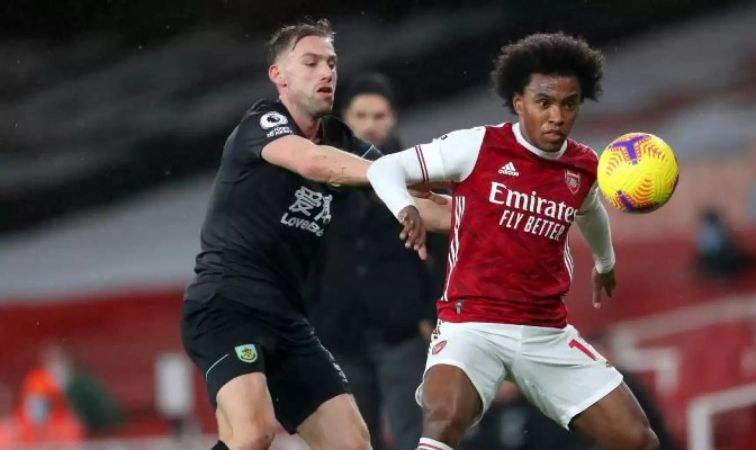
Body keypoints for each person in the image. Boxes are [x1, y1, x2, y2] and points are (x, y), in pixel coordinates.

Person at [368, 32, 659, 450]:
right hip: (473, 324)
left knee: (638, 440)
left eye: (569, 103)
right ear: (519, 102)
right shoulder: (477, 146)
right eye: (544, 103)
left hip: (546, 332)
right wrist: (406, 209)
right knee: (443, 423)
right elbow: (385, 170)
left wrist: (605, 262)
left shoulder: (583, 167)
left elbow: (591, 211)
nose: (557, 115)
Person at [180, 19, 448, 450]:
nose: (327, 73)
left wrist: (498, 214)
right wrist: (390, 177)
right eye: (311, 62)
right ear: (278, 75)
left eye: (332, 63)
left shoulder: (343, 140)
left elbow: (422, 205)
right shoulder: (261, 123)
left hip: (288, 320)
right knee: (252, 434)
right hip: (226, 307)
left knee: (353, 445)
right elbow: (314, 164)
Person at [309, 73, 444, 450]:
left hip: (403, 332)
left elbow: (450, 249)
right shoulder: (320, 176)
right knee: (352, 440)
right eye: (361, 115)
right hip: (339, 332)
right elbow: (303, 252)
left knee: (415, 437)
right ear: (345, 117)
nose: (370, 124)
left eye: (379, 115)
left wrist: (433, 314)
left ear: (394, 117)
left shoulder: (420, 177)